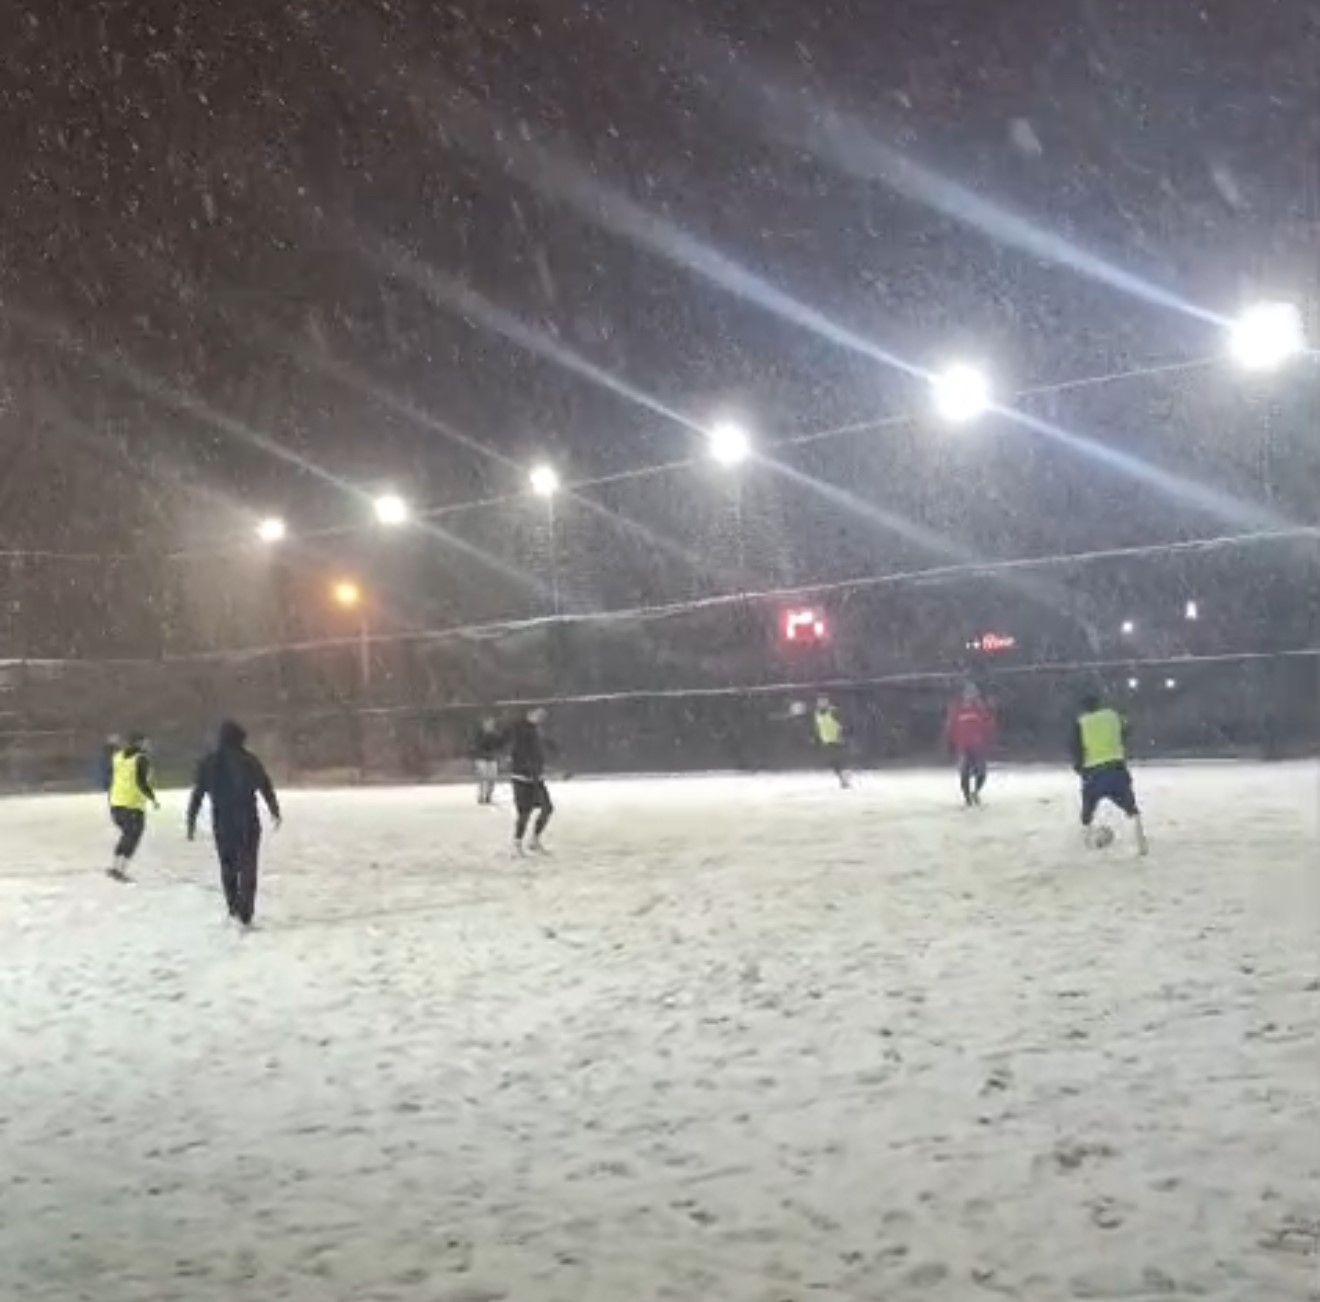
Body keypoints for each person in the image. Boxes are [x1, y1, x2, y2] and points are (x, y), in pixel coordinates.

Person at [187, 720, 282, 927]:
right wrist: (274, 809)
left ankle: (233, 906)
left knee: (228, 865)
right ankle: (246, 910)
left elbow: (198, 794)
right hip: (247, 818)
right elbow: (265, 785)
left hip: (222, 820)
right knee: (248, 864)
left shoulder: (208, 762)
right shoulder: (249, 760)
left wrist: (191, 821)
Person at [1071, 691, 1148, 855]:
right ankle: (1140, 841)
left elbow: (1077, 749)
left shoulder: (1081, 723)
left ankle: (1086, 841)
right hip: (1116, 769)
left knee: (1087, 812)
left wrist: (1079, 768)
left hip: (1093, 773)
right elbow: (1127, 730)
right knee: (1131, 808)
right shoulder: (1112, 716)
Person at [107, 733, 159, 881]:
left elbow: (112, 772)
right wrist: (152, 798)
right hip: (132, 805)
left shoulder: (117, 757)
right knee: (132, 837)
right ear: (139, 743)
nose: (149, 746)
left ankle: (115, 866)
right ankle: (120, 871)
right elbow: (141, 782)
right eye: (146, 743)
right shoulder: (141, 759)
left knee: (126, 835)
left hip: (116, 803)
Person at [507, 707, 554, 854]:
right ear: (529, 714)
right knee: (524, 812)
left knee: (547, 808)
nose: (541, 717)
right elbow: (519, 753)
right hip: (522, 778)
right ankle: (517, 842)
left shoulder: (537, 731)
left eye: (543, 715)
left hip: (536, 778)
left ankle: (534, 840)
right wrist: (528, 768)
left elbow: (537, 754)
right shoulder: (520, 730)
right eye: (538, 714)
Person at [945, 683, 996, 806]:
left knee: (981, 773)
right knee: (964, 773)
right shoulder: (957, 709)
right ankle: (967, 797)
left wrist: (988, 740)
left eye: (973, 693)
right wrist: (950, 743)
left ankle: (976, 792)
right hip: (962, 746)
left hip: (978, 746)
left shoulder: (980, 709)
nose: (970, 695)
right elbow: (950, 726)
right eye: (968, 693)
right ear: (964, 694)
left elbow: (989, 726)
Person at [813, 696, 851, 789]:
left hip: (837, 740)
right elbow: (818, 726)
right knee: (833, 763)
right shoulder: (817, 713)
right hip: (826, 741)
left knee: (837, 761)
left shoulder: (833, 711)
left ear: (827, 702)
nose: (822, 703)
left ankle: (844, 777)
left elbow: (843, 723)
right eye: (820, 702)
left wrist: (842, 734)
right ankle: (844, 777)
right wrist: (817, 737)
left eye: (824, 701)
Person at [471, 716, 504, 805]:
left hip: (492, 758)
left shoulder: (496, 734)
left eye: (491, 724)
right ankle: (481, 796)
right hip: (481, 758)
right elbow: (476, 745)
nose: (489, 725)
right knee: (482, 777)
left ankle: (489, 796)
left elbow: (500, 744)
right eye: (487, 723)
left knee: (492, 778)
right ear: (484, 724)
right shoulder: (479, 734)